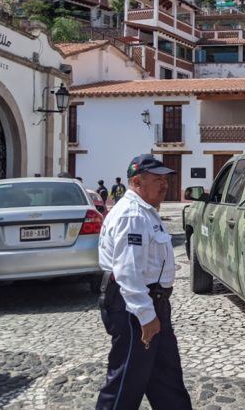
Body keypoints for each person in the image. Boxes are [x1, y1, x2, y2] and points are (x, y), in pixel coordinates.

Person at [96, 154, 191, 410]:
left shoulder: (145, 212)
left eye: (165, 179)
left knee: (166, 380)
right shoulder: (133, 216)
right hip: (134, 309)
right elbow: (128, 272)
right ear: (137, 182)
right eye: (157, 179)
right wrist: (146, 316)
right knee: (125, 384)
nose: (165, 184)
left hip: (152, 303)